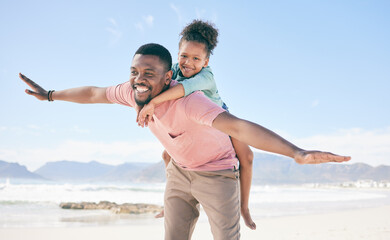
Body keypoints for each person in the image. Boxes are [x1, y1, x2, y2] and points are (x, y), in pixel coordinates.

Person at [19, 43, 350, 240]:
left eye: (148, 73)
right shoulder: (131, 90)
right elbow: (92, 93)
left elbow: (239, 127)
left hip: (218, 174)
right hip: (179, 174)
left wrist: (297, 152)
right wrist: (50, 95)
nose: (138, 79)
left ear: (167, 77)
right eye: (134, 71)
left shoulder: (192, 102)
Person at [136, 20, 256, 229]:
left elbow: (183, 89)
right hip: (193, 125)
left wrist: (153, 103)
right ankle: (172, 202)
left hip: (220, 118)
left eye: (196, 58)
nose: (188, 62)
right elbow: (154, 81)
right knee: (167, 156)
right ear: (178, 54)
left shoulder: (206, 76)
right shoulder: (172, 69)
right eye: (184, 56)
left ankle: (244, 207)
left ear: (206, 61)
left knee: (247, 156)